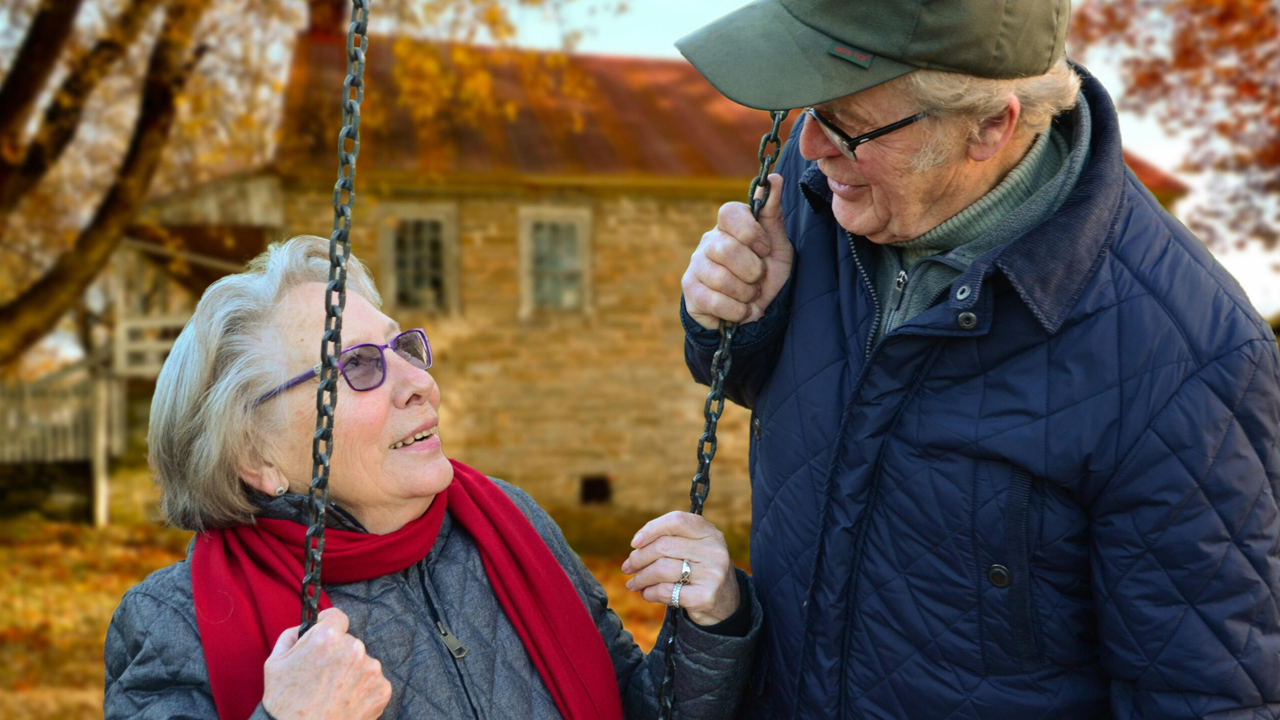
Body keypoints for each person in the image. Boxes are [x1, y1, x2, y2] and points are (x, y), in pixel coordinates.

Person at [676, 0, 1280, 718]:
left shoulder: (1188, 358)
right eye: (805, 108)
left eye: (845, 123)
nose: (810, 146)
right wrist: (736, 320)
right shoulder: (827, 191)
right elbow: (779, 391)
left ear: (991, 125)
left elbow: (1207, 696)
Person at [104, 235, 760, 720]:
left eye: (403, 349)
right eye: (359, 366)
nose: (419, 383)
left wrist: (710, 623)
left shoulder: (508, 522)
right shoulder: (173, 623)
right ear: (258, 459)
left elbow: (638, 710)